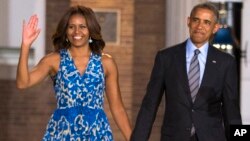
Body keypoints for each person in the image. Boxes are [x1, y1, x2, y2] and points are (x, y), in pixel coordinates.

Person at [16, 5, 131, 141]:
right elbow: (23, 83)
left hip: (97, 134)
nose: (77, 31)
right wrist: (25, 45)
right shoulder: (54, 60)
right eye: (71, 27)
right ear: (65, 31)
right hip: (62, 133)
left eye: (82, 26)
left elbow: (117, 108)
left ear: (90, 30)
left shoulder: (106, 63)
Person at [131, 2, 241, 141]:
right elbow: (149, 105)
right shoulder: (166, 58)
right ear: (188, 21)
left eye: (206, 22)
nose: (200, 26)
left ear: (215, 28)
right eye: (196, 20)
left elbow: (232, 112)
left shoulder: (226, 62)